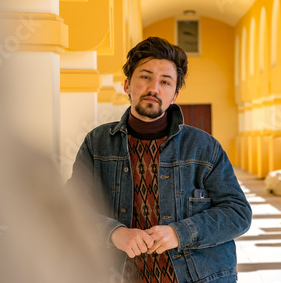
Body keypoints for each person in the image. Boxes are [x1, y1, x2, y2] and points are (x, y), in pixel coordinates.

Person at [68, 36, 252, 283]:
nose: (154, 88)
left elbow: (238, 213)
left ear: (174, 95)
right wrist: (114, 233)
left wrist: (180, 233)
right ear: (126, 84)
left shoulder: (204, 147)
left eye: (165, 82)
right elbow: (72, 207)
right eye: (145, 77)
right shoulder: (97, 143)